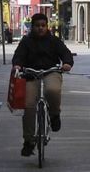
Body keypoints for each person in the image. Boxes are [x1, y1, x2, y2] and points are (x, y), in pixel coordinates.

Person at [12, 13, 74, 157]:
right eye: (37, 26)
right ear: (32, 27)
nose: (40, 28)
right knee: (28, 106)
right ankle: (28, 141)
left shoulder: (54, 41)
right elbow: (19, 56)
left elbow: (65, 53)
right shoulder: (26, 41)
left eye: (43, 26)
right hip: (30, 74)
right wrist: (17, 65)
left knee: (53, 89)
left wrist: (67, 63)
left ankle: (54, 115)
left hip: (50, 71)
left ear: (47, 27)